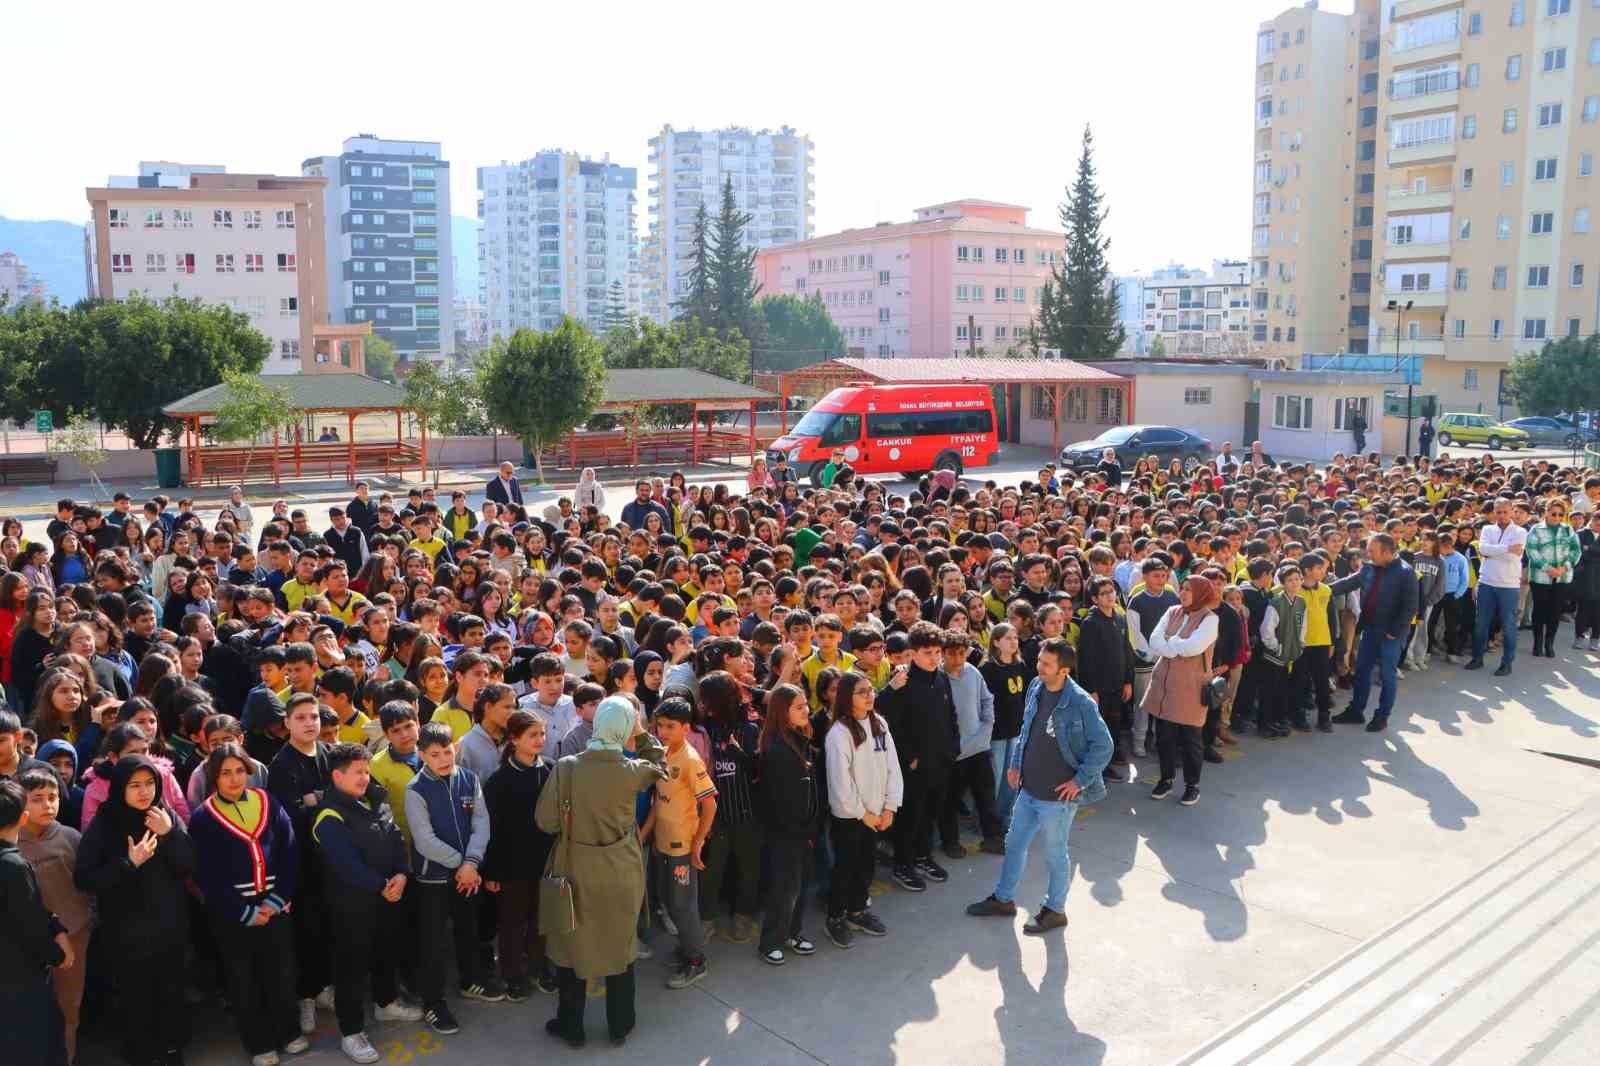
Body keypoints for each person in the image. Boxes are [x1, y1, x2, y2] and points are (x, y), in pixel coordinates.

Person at [535, 696, 667, 1048]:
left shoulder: (566, 766)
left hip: (575, 866)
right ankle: (620, 1026)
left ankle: (571, 1026)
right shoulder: (632, 769)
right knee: (621, 949)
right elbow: (661, 762)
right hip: (622, 868)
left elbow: (545, 821)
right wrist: (641, 734)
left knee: (570, 948)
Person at [967, 638, 1110, 933]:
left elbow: (1103, 745)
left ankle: (1055, 909)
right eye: (1040, 661)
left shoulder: (1080, 702)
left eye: (1046, 664)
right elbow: (1027, 728)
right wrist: (1017, 764)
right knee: (1014, 844)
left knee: (1055, 854)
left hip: (1057, 799)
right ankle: (1004, 899)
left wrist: (1079, 781)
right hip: (1029, 790)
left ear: (1065, 670)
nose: (1039, 667)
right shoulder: (1036, 686)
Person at [188, 744, 309, 1066]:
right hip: (233, 916)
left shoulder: (267, 802)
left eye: (239, 770)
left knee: (282, 973)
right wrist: (244, 911)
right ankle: (259, 1043)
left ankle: (289, 1031)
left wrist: (277, 897)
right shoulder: (203, 818)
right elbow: (205, 874)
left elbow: (289, 851)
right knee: (244, 980)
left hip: (275, 908)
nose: (233, 779)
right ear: (214, 776)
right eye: (225, 773)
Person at [74, 754, 195, 1066]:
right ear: (119, 788)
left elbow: (188, 866)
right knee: (136, 997)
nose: (144, 792)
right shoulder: (106, 822)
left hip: (169, 926)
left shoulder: (164, 815)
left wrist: (169, 834)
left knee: (171, 991)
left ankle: (171, 1050)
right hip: (126, 931)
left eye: (149, 784)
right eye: (134, 785)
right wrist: (129, 864)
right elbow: (85, 878)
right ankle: (142, 1052)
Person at [312, 743, 423, 1063]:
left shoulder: (377, 800)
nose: (364, 777)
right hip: (352, 907)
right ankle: (351, 1032)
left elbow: (396, 839)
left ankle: (386, 1004)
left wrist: (402, 874)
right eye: (357, 772)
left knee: (386, 952)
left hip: (388, 897)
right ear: (337, 775)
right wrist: (382, 885)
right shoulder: (328, 815)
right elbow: (344, 864)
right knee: (351, 969)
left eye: (366, 770)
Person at [403, 721, 504, 1035]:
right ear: (422, 755)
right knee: (432, 944)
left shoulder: (469, 780)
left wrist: (472, 863)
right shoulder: (415, 790)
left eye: (447, 751)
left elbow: (481, 823)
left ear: (455, 748)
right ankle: (434, 1002)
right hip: (433, 881)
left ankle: (470, 981)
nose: (444, 759)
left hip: (467, 876)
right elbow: (424, 840)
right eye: (435, 754)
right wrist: (464, 864)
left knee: (468, 930)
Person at [878, 621, 959, 893]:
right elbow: (891, 723)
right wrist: (910, 757)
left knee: (930, 813)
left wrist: (953, 747)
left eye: (938, 652)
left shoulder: (942, 677)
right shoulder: (903, 681)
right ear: (912, 653)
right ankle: (903, 864)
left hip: (940, 760)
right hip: (914, 765)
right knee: (910, 816)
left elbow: (950, 716)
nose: (934, 658)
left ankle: (923, 857)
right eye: (927, 653)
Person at [823, 671, 901, 948]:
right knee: (846, 868)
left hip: (877, 814)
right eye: (861, 691)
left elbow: (893, 767)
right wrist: (866, 815)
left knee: (866, 865)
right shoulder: (839, 734)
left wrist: (890, 807)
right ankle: (835, 917)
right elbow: (841, 785)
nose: (870, 695)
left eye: (870, 690)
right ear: (847, 698)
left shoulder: (879, 723)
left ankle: (857, 911)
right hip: (852, 817)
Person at [15, 768, 89, 1065]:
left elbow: (88, 886)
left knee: (69, 1009)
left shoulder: (71, 837)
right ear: (21, 803)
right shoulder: (9, 842)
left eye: (53, 797)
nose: (48, 805)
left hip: (74, 937)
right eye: (37, 799)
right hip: (26, 947)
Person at [644, 695, 718, 990]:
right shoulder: (663, 753)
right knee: (669, 900)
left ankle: (696, 960)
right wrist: (644, 833)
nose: (663, 732)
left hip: (681, 848)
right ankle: (687, 948)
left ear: (686, 728)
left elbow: (710, 804)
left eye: (670, 727)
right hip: (662, 843)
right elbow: (658, 802)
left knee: (682, 905)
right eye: (660, 726)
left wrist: (698, 842)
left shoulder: (689, 760)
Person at [481, 710, 555, 1000]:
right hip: (512, 867)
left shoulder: (550, 769)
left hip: (545, 863)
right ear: (514, 739)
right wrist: (492, 872)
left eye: (542, 734)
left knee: (541, 920)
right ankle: (512, 975)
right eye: (532, 735)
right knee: (512, 924)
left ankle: (538, 968)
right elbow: (491, 831)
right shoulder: (499, 781)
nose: (539, 740)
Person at [0, 777, 73, 1066]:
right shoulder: (13, 866)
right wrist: (58, 955)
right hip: (20, 979)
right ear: (22, 818)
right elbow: (29, 925)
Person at [755, 684, 821, 965]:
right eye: (798, 707)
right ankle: (770, 941)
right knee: (784, 887)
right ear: (783, 712)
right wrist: (800, 831)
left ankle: (793, 932)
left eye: (806, 704)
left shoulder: (798, 739)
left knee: (801, 883)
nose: (806, 710)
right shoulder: (778, 748)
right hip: (786, 833)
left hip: (803, 830)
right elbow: (781, 800)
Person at [1142, 576, 1221, 805]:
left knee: (1190, 739)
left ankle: (1192, 785)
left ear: (1201, 593)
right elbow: (1154, 640)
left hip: (1190, 687)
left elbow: (1193, 647)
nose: (1183, 593)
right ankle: (1166, 779)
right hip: (1164, 685)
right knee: (1163, 737)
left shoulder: (1209, 619)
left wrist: (1170, 642)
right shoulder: (1172, 611)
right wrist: (1174, 644)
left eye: (1189, 590)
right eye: (1183, 588)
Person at [1330, 533, 1419, 730]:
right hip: (1370, 627)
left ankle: (1382, 716)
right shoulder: (1370, 567)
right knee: (1362, 670)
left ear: (1387, 552)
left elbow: (1410, 606)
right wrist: (1322, 589)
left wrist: (1395, 631)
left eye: (1372, 551)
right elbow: (1348, 583)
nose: (1368, 555)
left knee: (1387, 675)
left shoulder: (1405, 573)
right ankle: (1356, 711)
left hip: (1391, 634)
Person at [1466, 498, 1526, 677]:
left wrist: (1495, 551)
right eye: (1498, 512)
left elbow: (1514, 556)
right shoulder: (1487, 529)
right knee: (1481, 623)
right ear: (1493, 512)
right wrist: (1507, 548)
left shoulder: (1520, 531)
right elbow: (1483, 550)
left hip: (1508, 586)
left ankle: (1506, 663)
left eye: (1505, 512)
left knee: (1508, 626)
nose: (1501, 515)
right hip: (1487, 582)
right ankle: (1477, 658)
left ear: (1511, 512)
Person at [1525, 498, 1580, 658]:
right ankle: (1538, 643)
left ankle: (1549, 644)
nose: (1556, 517)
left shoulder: (1568, 530)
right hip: (1540, 577)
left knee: (1555, 611)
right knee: (1540, 610)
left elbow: (1576, 551)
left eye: (1560, 515)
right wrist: (1548, 568)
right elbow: (1531, 551)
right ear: (1546, 511)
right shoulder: (1536, 529)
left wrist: (1564, 567)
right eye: (1553, 513)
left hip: (1562, 578)